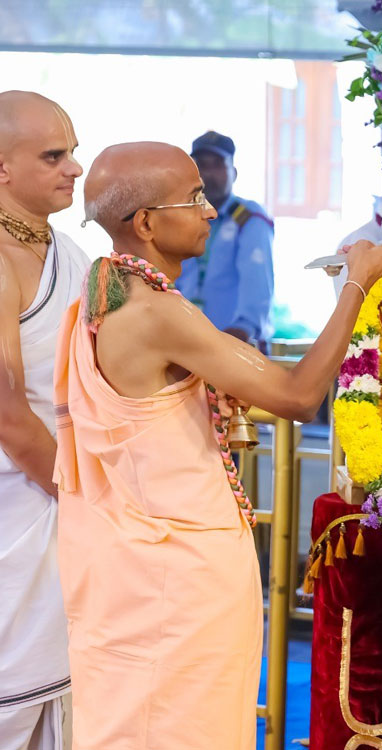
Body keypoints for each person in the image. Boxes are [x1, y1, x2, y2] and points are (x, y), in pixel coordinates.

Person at [56, 141, 382, 750]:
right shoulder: (152, 310)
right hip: (175, 575)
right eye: (195, 199)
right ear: (146, 224)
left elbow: (243, 368)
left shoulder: (108, 290)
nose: (211, 210)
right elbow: (296, 395)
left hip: (142, 563)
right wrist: (356, 288)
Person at [0, 90, 86, 750]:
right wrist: (79, 489)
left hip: (70, 492)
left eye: (73, 152)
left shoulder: (72, 254)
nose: (74, 168)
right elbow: (4, 408)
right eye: (54, 155)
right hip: (23, 498)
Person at [175, 130, 274, 347]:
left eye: (218, 165)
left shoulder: (249, 218)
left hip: (236, 345)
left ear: (234, 172)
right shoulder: (181, 217)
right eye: (201, 166)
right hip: (187, 343)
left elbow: (257, 283)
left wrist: (244, 329)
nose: (209, 174)